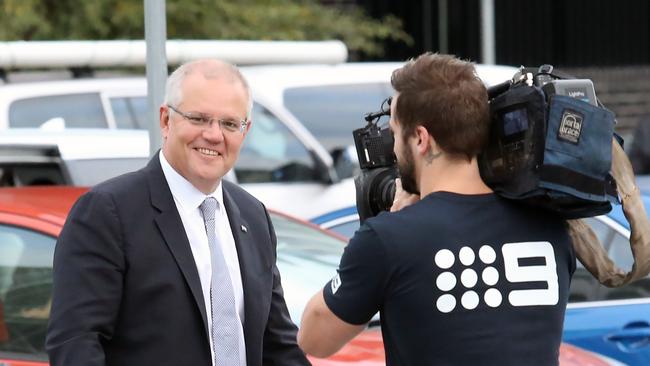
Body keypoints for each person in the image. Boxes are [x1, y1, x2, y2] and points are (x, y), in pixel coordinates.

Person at [298, 53, 575, 366]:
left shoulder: (390, 239)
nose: (392, 148)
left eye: (394, 132)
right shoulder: (552, 229)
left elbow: (313, 338)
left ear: (420, 139)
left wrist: (395, 224)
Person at [46, 59, 310, 366]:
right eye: (199, 119)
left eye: (229, 124)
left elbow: (278, 346)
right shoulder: (108, 213)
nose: (214, 135)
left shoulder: (253, 217)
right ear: (165, 120)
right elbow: (75, 343)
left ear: (245, 131)